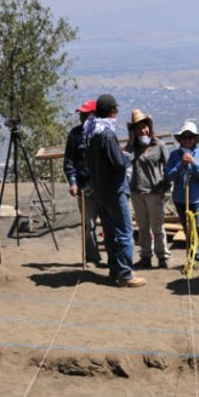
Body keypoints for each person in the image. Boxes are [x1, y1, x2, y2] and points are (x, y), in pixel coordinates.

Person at [85, 94, 146, 287]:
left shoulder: (93, 132)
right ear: (113, 111)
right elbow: (118, 163)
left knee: (110, 232)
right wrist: (127, 155)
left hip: (101, 191)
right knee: (125, 232)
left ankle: (114, 270)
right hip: (115, 190)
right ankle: (126, 274)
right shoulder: (108, 134)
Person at [165, 121, 199, 275]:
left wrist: (194, 163)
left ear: (195, 139)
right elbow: (169, 175)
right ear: (180, 139)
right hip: (181, 199)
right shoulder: (174, 155)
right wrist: (181, 165)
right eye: (185, 137)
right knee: (188, 230)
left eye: (190, 137)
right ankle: (195, 258)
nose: (187, 140)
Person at [125, 109, 171, 269]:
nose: (142, 131)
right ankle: (146, 256)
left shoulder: (159, 145)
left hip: (154, 193)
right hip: (137, 192)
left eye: (144, 127)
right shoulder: (133, 147)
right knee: (143, 227)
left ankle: (162, 256)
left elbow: (168, 168)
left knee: (158, 227)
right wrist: (131, 141)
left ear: (149, 127)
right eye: (138, 129)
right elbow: (124, 160)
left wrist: (164, 187)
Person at [63, 99, 103, 268]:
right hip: (84, 188)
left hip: (103, 188)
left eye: (86, 114)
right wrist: (73, 182)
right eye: (81, 114)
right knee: (89, 225)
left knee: (110, 224)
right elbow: (69, 162)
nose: (82, 117)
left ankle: (115, 259)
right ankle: (92, 258)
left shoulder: (103, 133)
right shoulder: (75, 134)